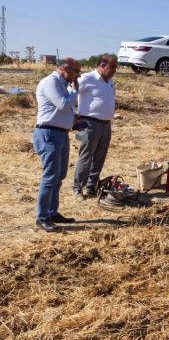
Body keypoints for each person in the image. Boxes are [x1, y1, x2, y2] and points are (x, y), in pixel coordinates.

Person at [33, 58, 82, 232]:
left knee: (59, 176)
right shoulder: (50, 82)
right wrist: (76, 91)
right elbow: (62, 104)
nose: (78, 75)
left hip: (61, 134)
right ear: (66, 69)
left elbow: (63, 109)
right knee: (50, 177)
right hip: (49, 134)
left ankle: (52, 212)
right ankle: (42, 217)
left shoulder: (63, 84)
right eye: (77, 71)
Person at [73, 55, 117, 198]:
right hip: (88, 123)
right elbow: (71, 92)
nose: (114, 71)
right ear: (103, 65)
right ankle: (78, 187)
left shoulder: (109, 81)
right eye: (112, 67)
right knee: (86, 156)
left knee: (100, 157)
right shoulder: (87, 78)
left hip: (106, 124)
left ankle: (91, 187)